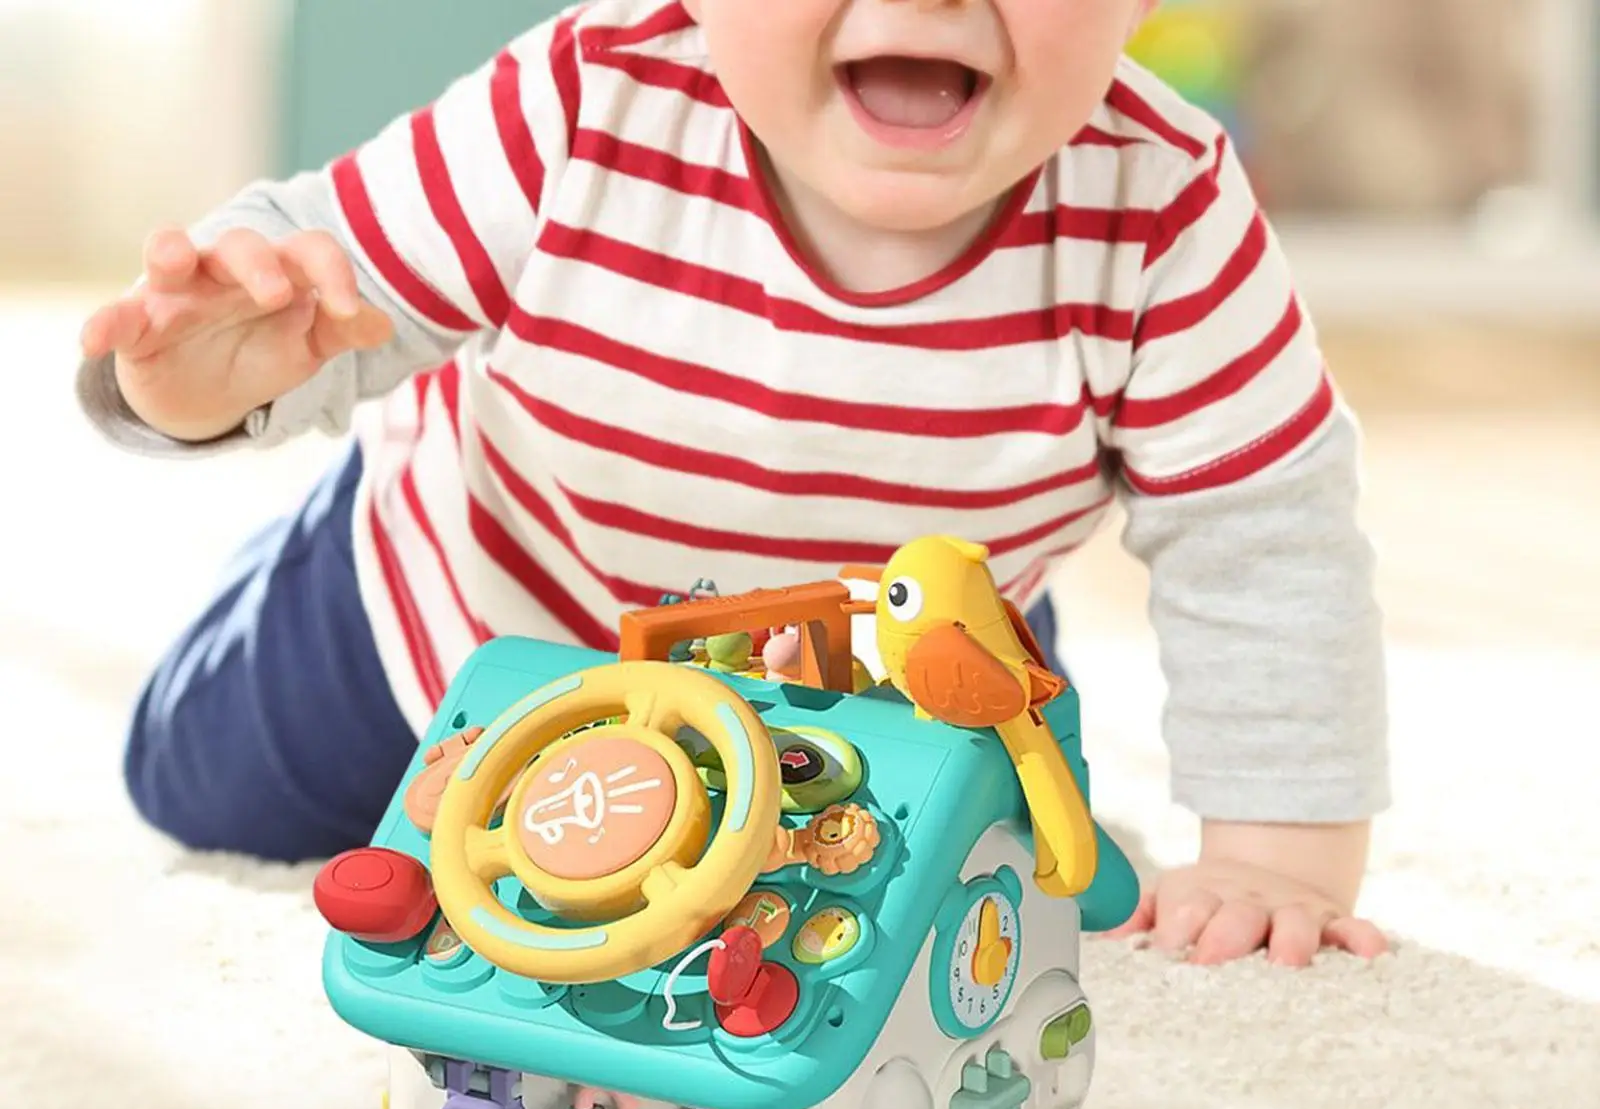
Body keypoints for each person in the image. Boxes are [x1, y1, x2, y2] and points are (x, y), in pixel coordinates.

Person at [76, 0, 1390, 967]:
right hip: (474, 620)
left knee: (965, 923)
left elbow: (1261, 529)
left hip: (897, 673)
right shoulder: (581, 106)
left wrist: (1275, 856)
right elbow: (318, 282)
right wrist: (191, 379)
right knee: (201, 787)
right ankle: (306, 547)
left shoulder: (1161, 212)